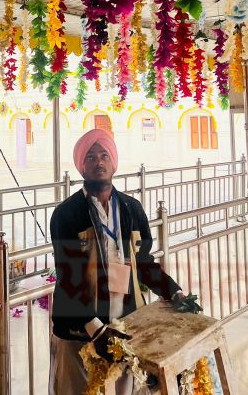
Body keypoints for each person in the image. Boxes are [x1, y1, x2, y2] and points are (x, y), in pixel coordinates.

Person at [49, 129, 185, 395]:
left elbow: (144, 263)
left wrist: (174, 292)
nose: (98, 162)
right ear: (81, 166)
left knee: (127, 389)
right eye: (90, 157)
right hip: (79, 331)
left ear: (113, 163)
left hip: (126, 326)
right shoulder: (66, 214)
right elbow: (69, 278)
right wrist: (96, 331)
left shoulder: (132, 209)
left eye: (104, 155)